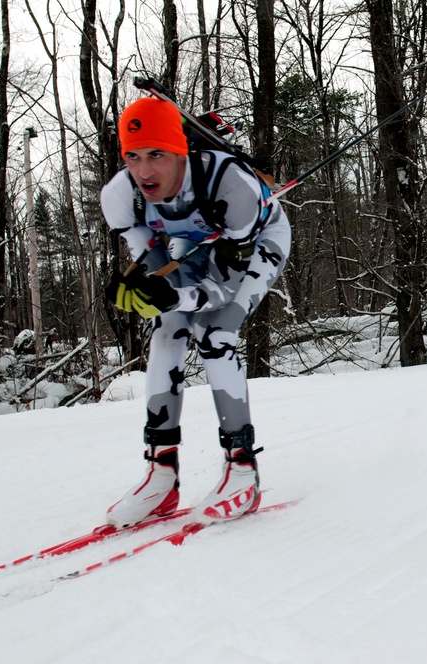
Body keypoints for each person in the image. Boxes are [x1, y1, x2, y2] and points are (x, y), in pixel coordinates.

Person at [101, 97, 290, 527]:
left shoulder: (232, 187)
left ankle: (243, 470)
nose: (144, 172)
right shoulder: (120, 196)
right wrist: (144, 286)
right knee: (166, 333)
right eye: (133, 156)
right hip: (191, 244)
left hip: (257, 241)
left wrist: (174, 297)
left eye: (157, 155)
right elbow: (150, 253)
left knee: (216, 334)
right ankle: (161, 474)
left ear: (180, 151)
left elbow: (221, 290)